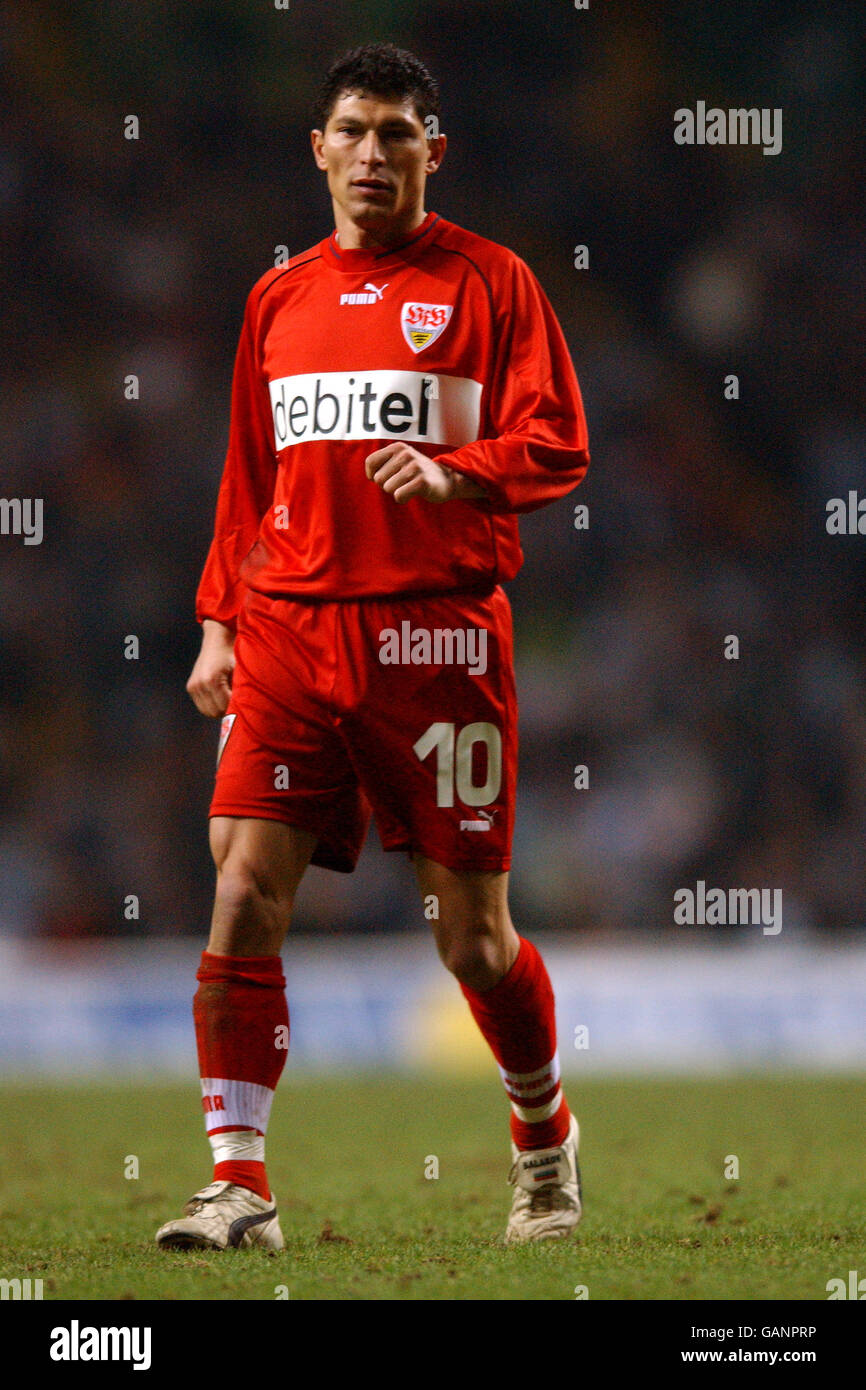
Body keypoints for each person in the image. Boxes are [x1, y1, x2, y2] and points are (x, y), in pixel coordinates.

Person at [156, 41, 590, 1253]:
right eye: (350, 129)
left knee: (470, 934)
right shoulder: (275, 299)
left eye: (397, 132)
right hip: (292, 630)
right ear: (318, 148)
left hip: (436, 637)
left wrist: (457, 474)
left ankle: (541, 1136)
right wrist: (217, 618)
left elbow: (556, 441)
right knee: (242, 887)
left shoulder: (490, 284)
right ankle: (238, 1185)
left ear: (430, 152)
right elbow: (252, 477)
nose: (370, 153)